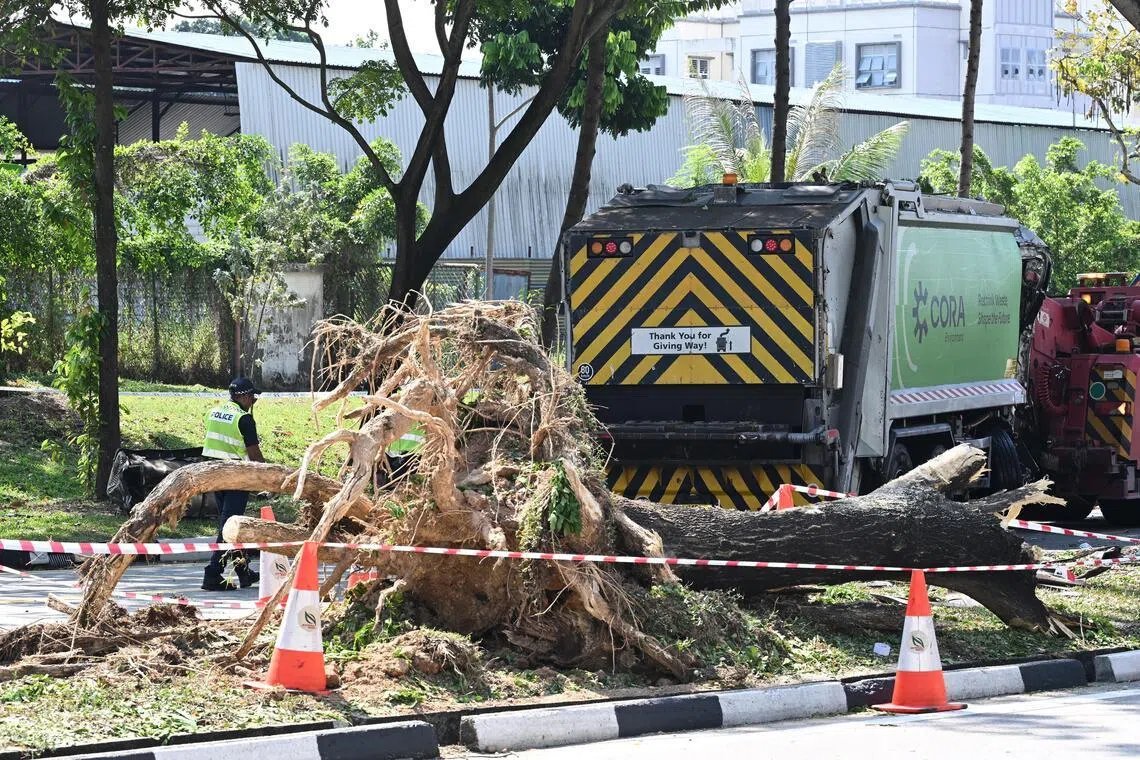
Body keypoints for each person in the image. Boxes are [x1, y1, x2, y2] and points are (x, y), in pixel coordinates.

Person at [200, 377, 264, 591]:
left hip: (215, 474)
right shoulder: (244, 419)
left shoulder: (213, 412)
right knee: (228, 526)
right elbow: (254, 454)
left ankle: (243, 572)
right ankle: (213, 574)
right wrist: (267, 477)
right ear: (244, 396)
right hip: (236, 475)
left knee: (230, 522)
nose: (254, 401)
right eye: (253, 397)